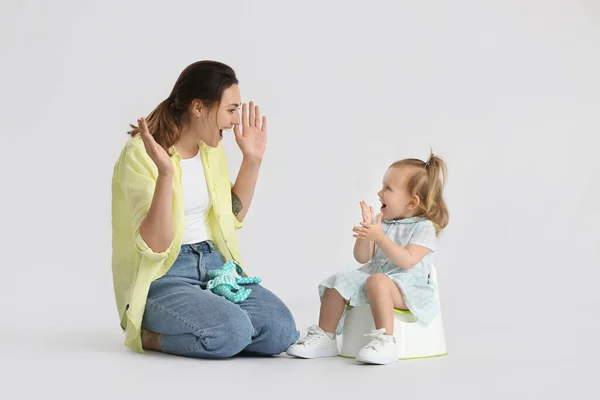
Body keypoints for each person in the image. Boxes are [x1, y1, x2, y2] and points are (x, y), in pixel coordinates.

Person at [111, 60, 299, 358]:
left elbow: (231, 216)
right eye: (231, 109)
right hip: (164, 277)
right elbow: (155, 246)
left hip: (216, 267)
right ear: (198, 107)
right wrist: (166, 175)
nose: (236, 120)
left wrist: (252, 160)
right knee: (232, 331)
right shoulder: (140, 154)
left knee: (281, 332)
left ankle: (216, 323)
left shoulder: (211, 149)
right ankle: (149, 337)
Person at [286, 152, 449, 364]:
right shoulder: (380, 222)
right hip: (375, 279)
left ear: (412, 202)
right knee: (339, 281)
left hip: (408, 288)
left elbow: (407, 260)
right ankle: (326, 336)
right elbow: (362, 258)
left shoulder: (423, 227)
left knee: (378, 281)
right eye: (382, 186)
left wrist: (380, 237)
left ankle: (385, 340)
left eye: (388, 188)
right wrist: (367, 233)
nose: (380, 192)